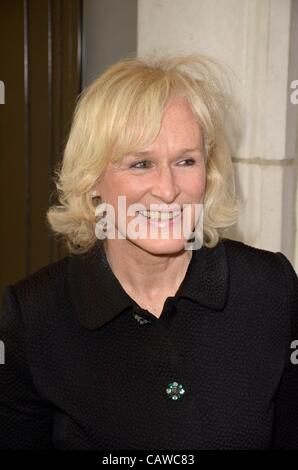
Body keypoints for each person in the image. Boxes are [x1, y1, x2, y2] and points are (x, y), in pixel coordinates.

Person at [0, 53, 297, 450]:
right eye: (141, 163)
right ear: (92, 181)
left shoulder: (271, 287)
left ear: (207, 174)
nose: (168, 189)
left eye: (186, 161)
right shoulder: (32, 318)